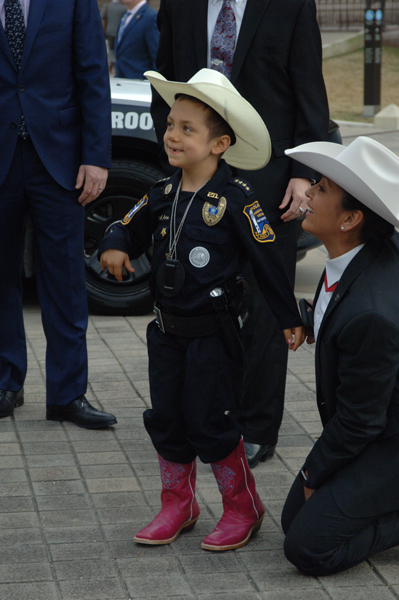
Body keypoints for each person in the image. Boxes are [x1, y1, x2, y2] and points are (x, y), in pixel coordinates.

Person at [99, 69, 304, 551]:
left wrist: (289, 318)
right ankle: (178, 503)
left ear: (220, 144)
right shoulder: (162, 192)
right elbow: (125, 223)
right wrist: (113, 244)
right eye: (171, 124)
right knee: (168, 418)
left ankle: (242, 507)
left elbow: (269, 261)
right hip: (167, 332)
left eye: (187, 128)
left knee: (211, 420)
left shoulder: (237, 199)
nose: (172, 135)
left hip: (214, 335)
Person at [150, 0, 329, 468]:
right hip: (198, 177)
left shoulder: (290, 6)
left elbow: (310, 91)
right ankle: (206, 418)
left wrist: (303, 173)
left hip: (270, 183)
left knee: (265, 304)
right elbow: (164, 84)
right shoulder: (179, 5)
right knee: (200, 300)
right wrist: (177, 157)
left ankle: (256, 425)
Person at [281, 136, 399, 575]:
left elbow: (361, 420)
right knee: (294, 520)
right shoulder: (359, 254)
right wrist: (311, 319)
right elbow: (340, 306)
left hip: (385, 438)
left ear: (350, 218)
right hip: (375, 428)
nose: (308, 193)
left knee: (308, 549)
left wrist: (314, 473)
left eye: (323, 189)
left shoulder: (371, 313)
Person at [0, 0, 117, 429]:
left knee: (66, 280)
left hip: (62, 162)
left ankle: (67, 395)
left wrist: (97, 158)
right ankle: (5, 383)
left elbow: (92, 76)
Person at [114, 0, 159, 79]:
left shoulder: (150, 17)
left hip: (139, 84)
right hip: (122, 82)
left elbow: (157, 58)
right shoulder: (125, 16)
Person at [101, 0, 127, 71]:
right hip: (119, 32)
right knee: (117, 48)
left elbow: (102, 16)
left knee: (111, 48)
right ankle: (115, 62)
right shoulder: (123, 8)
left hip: (109, 30)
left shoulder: (107, 6)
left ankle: (111, 62)